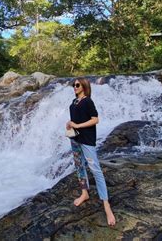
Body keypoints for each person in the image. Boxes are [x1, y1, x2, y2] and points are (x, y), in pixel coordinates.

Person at [66, 77, 116, 226]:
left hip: (87, 140)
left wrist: (78, 125)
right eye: (73, 85)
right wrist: (69, 124)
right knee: (79, 166)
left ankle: (106, 206)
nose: (74, 87)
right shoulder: (73, 103)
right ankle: (85, 193)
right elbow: (74, 121)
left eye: (77, 85)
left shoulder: (88, 101)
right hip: (75, 139)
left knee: (95, 170)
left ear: (84, 86)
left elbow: (95, 119)